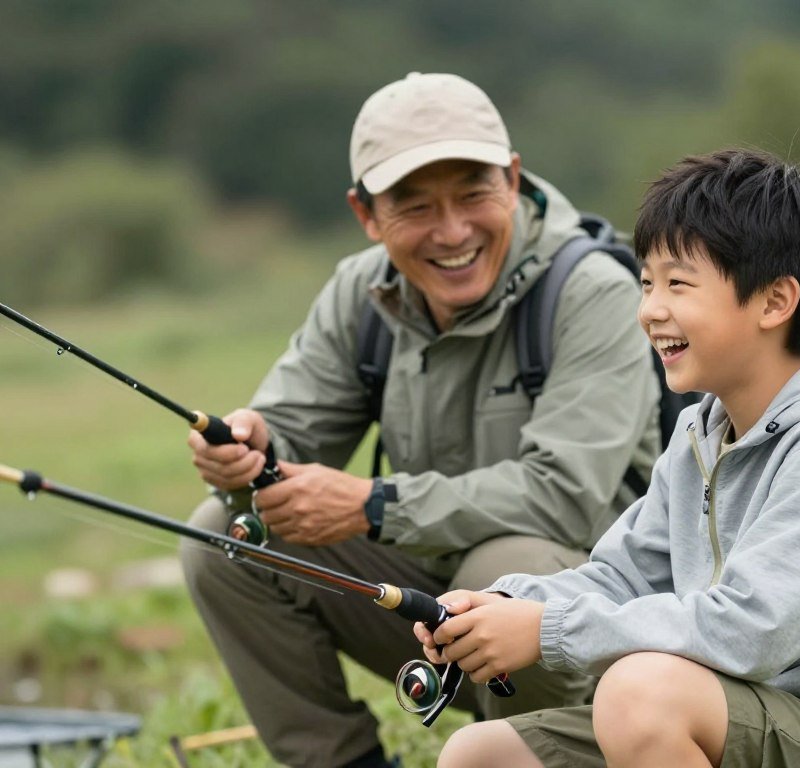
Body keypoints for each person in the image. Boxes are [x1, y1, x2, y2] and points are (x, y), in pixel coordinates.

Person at [416, 148, 800, 768]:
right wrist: (509, 603)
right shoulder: (700, 435)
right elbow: (621, 575)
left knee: (640, 695)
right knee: (480, 755)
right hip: (744, 716)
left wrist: (546, 633)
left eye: (678, 283)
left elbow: (748, 631)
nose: (650, 308)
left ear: (774, 302)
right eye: (646, 282)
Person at [180, 72, 661, 768]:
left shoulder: (592, 291)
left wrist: (374, 506)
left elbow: (564, 497)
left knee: (507, 570)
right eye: (416, 206)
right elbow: (283, 436)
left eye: (473, 193)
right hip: (429, 601)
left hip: (590, 621)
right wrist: (246, 456)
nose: (453, 230)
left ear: (514, 178)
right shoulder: (360, 288)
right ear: (366, 214)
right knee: (222, 538)